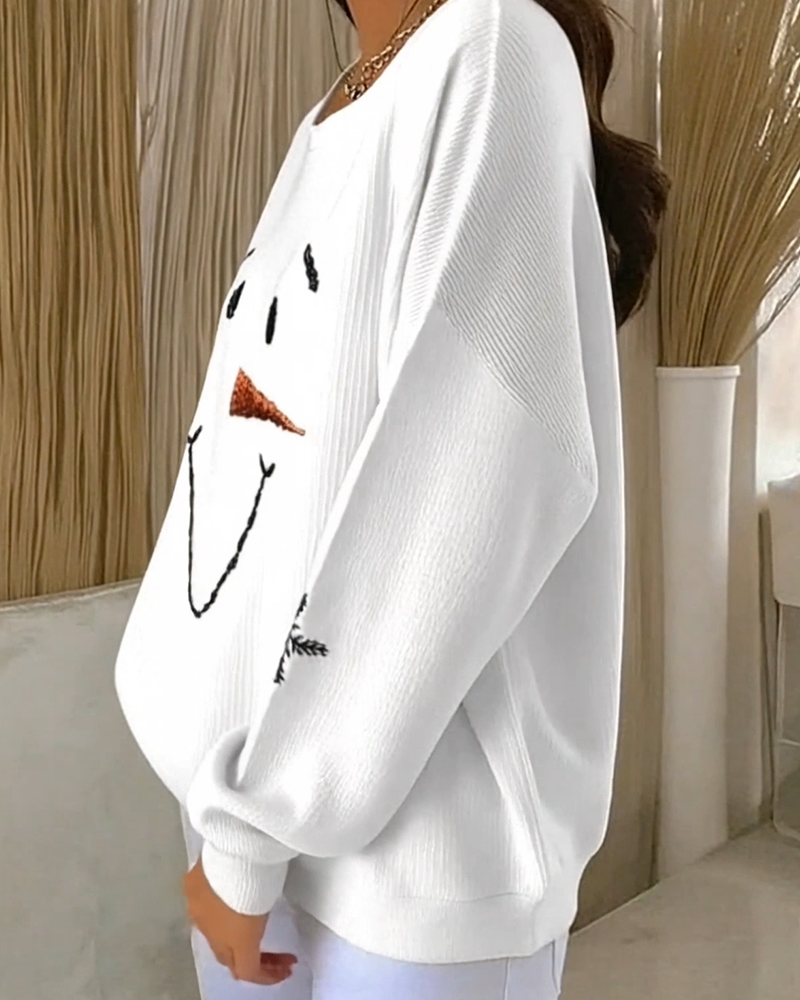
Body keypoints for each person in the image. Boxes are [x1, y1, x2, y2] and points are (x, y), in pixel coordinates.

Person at [115, 0, 669, 996]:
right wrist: (228, 812)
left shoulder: (493, 47)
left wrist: (251, 831)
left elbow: (469, 480)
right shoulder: (344, 103)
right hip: (247, 819)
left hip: (414, 873)